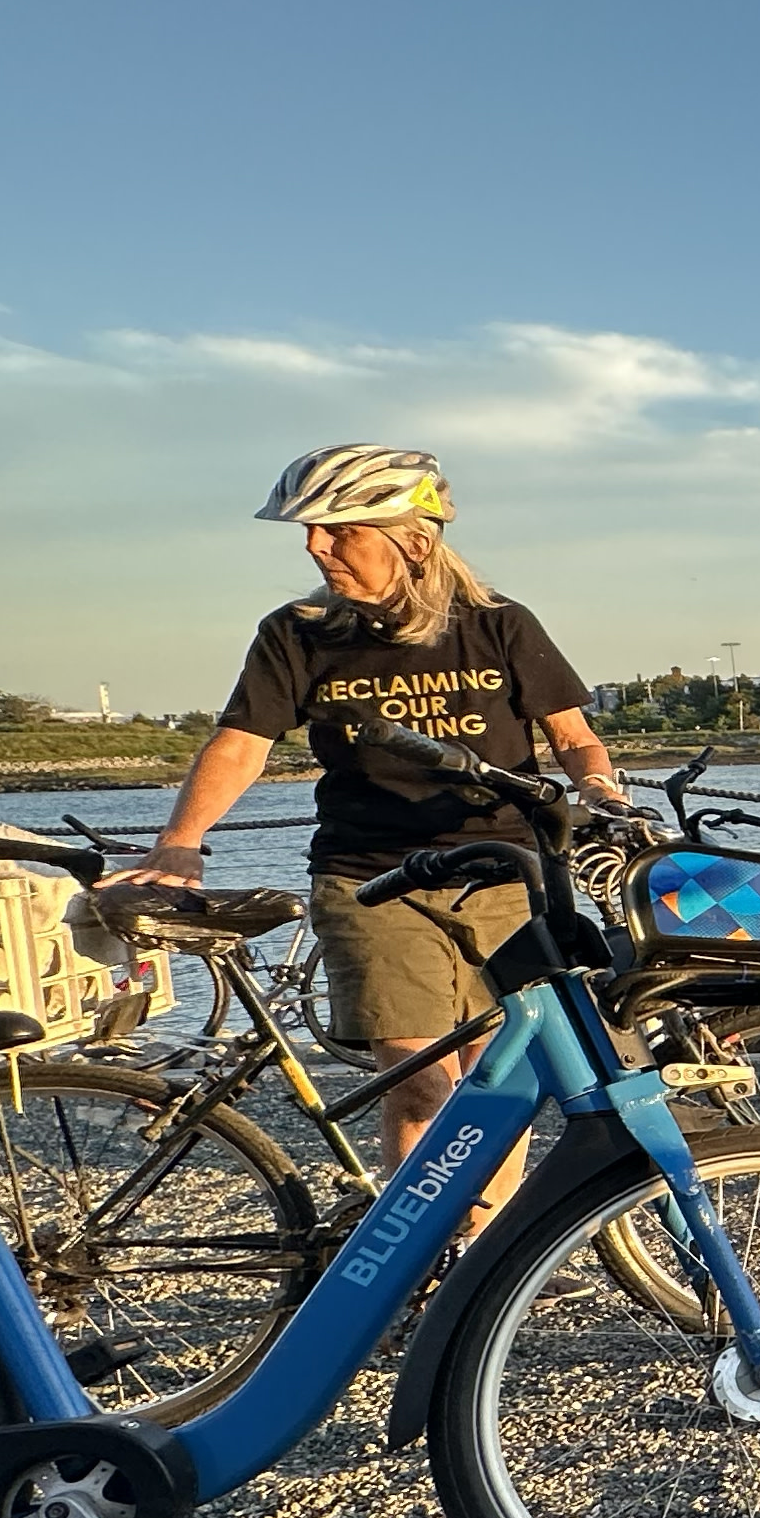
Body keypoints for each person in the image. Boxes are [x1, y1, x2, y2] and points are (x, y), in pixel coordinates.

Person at [134, 446, 622, 1200]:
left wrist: (600, 792)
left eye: (339, 531)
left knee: (498, 1076)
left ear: (413, 540)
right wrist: (180, 843)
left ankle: (481, 1247)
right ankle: (420, 1254)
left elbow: (573, 735)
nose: (315, 548)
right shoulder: (297, 634)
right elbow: (240, 744)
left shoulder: (498, 624)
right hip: (374, 880)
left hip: (504, 876)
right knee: (421, 1077)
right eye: (309, 532)